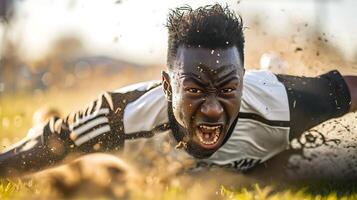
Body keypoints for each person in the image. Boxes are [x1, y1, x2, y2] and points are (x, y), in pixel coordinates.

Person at [0, 4, 356, 177]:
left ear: (243, 82)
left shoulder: (284, 103)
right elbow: (47, 144)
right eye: (196, 90)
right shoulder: (120, 116)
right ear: (168, 86)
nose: (214, 109)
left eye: (228, 88)